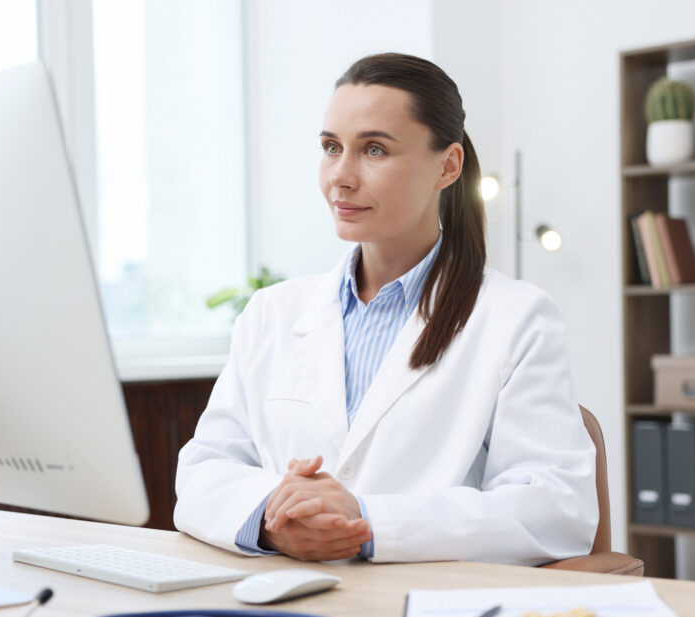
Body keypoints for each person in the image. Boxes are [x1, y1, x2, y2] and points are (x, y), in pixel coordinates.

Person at [174, 53, 597, 564]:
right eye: (331, 148)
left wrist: (368, 522)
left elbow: (553, 508)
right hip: (288, 602)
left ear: (449, 166)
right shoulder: (271, 313)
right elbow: (203, 471)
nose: (341, 177)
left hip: (428, 611)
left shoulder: (517, 319)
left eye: (373, 149)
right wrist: (269, 518)